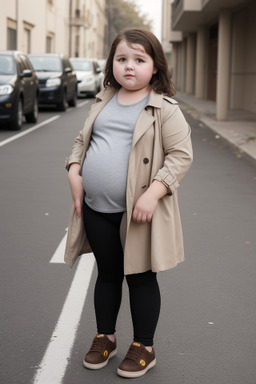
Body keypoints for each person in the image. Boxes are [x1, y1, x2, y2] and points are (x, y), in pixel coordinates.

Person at [64, 28, 193, 379]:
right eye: (122, 59)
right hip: (95, 207)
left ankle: (144, 347)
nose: (129, 67)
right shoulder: (104, 98)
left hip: (138, 212)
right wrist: (75, 170)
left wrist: (153, 193)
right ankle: (105, 337)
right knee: (107, 275)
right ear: (112, 65)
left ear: (155, 67)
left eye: (139, 60)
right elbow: (82, 140)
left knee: (139, 278)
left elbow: (181, 157)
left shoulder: (164, 108)